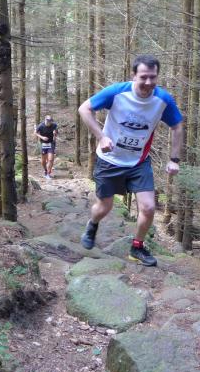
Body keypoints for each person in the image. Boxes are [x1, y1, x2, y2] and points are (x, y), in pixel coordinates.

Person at [77, 54, 184, 266]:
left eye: (153, 77)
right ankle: (93, 224)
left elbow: (177, 126)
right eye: (143, 77)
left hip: (138, 162)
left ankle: (137, 247)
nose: (148, 82)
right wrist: (101, 137)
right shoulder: (117, 92)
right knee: (104, 207)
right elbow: (84, 109)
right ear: (133, 75)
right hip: (109, 160)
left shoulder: (163, 100)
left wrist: (174, 159)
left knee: (149, 208)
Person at [35, 115, 58, 179]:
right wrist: (42, 137)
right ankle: (45, 170)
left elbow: (56, 134)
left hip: (51, 143)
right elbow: (36, 133)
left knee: (50, 159)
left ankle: (48, 173)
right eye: (47, 120)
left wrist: (55, 133)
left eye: (50, 121)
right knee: (43, 161)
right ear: (45, 120)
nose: (49, 122)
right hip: (43, 143)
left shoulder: (54, 125)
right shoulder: (40, 126)